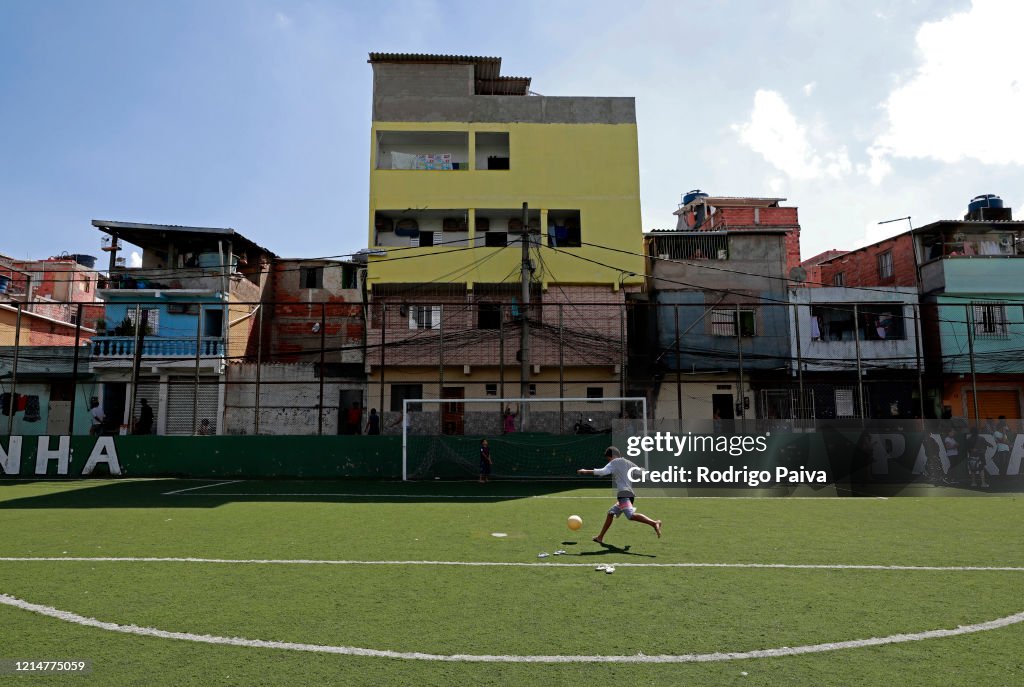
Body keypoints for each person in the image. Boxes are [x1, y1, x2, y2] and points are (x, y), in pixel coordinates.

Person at [577, 446, 661, 542]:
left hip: (624, 495)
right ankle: (600, 537)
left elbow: (603, 472)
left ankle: (654, 523)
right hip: (629, 494)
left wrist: (585, 471)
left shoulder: (615, 462)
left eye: (609, 459)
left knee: (630, 516)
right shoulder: (628, 462)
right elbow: (641, 472)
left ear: (613, 456)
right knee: (610, 513)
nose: (609, 462)